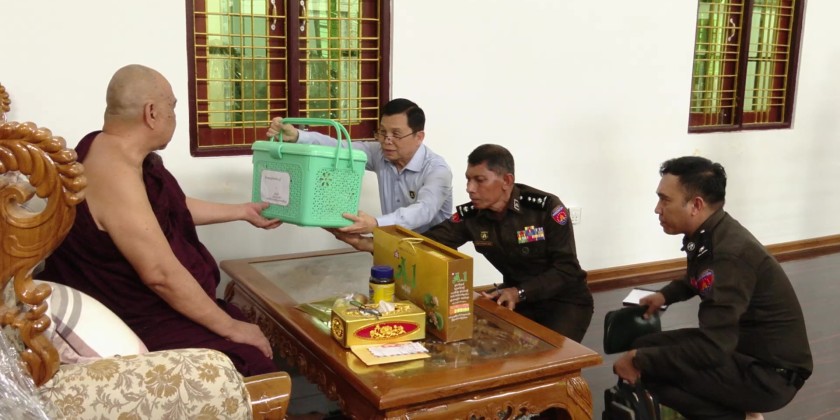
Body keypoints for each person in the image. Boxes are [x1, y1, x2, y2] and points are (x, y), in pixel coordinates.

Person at [42, 64, 281, 376]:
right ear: (152, 113)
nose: (174, 116)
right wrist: (230, 328)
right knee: (250, 359)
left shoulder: (109, 148)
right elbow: (160, 275)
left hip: (146, 303)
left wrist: (242, 211)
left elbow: (169, 208)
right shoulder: (113, 171)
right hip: (136, 313)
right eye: (173, 107)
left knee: (239, 322)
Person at [612, 156, 813, 420]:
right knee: (645, 344)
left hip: (769, 375)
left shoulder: (729, 254)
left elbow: (713, 347)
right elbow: (700, 276)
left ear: (696, 205)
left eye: (665, 200)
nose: (657, 209)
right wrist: (665, 295)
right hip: (743, 350)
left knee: (650, 370)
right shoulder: (714, 233)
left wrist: (639, 360)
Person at [334, 144, 594, 342]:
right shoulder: (472, 216)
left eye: (479, 180)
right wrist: (370, 244)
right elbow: (425, 243)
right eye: (468, 179)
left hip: (564, 301)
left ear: (506, 181)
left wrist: (519, 292)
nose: (470, 188)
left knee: (553, 364)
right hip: (514, 299)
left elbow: (567, 270)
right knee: (485, 348)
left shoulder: (545, 209)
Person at [266, 98, 453, 234]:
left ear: (419, 137)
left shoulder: (437, 170)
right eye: (382, 132)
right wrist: (298, 136)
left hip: (435, 251)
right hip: (395, 245)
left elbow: (423, 211)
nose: (387, 141)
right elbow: (340, 148)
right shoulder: (379, 153)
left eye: (396, 134)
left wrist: (376, 224)